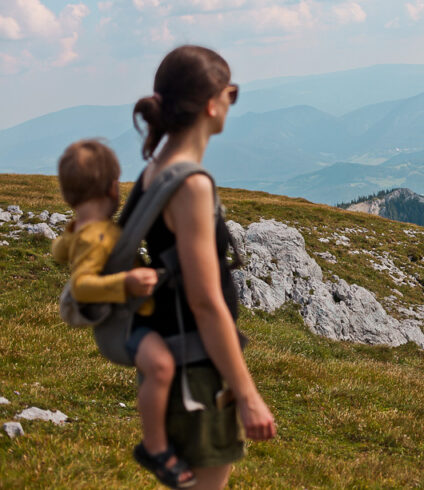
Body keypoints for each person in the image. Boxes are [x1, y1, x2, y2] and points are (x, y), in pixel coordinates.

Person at [130, 45, 276, 489]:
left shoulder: (155, 169)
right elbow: (205, 301)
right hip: (196, 366)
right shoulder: (190, 184)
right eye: (232, 92)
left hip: (174, 350)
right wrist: (248, 396)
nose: (233, 101)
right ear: (212, 102)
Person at [51, 140, 195, 487]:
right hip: (122, 328)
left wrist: (72, 231)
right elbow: (83, 284)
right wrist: (126, 282)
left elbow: (58, 250)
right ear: (112, 188)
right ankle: (155, 447)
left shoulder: (84, 229)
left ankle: (164, 431)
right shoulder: (93, 236)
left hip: (130, 320)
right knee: (160, 366)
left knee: (160, 367)